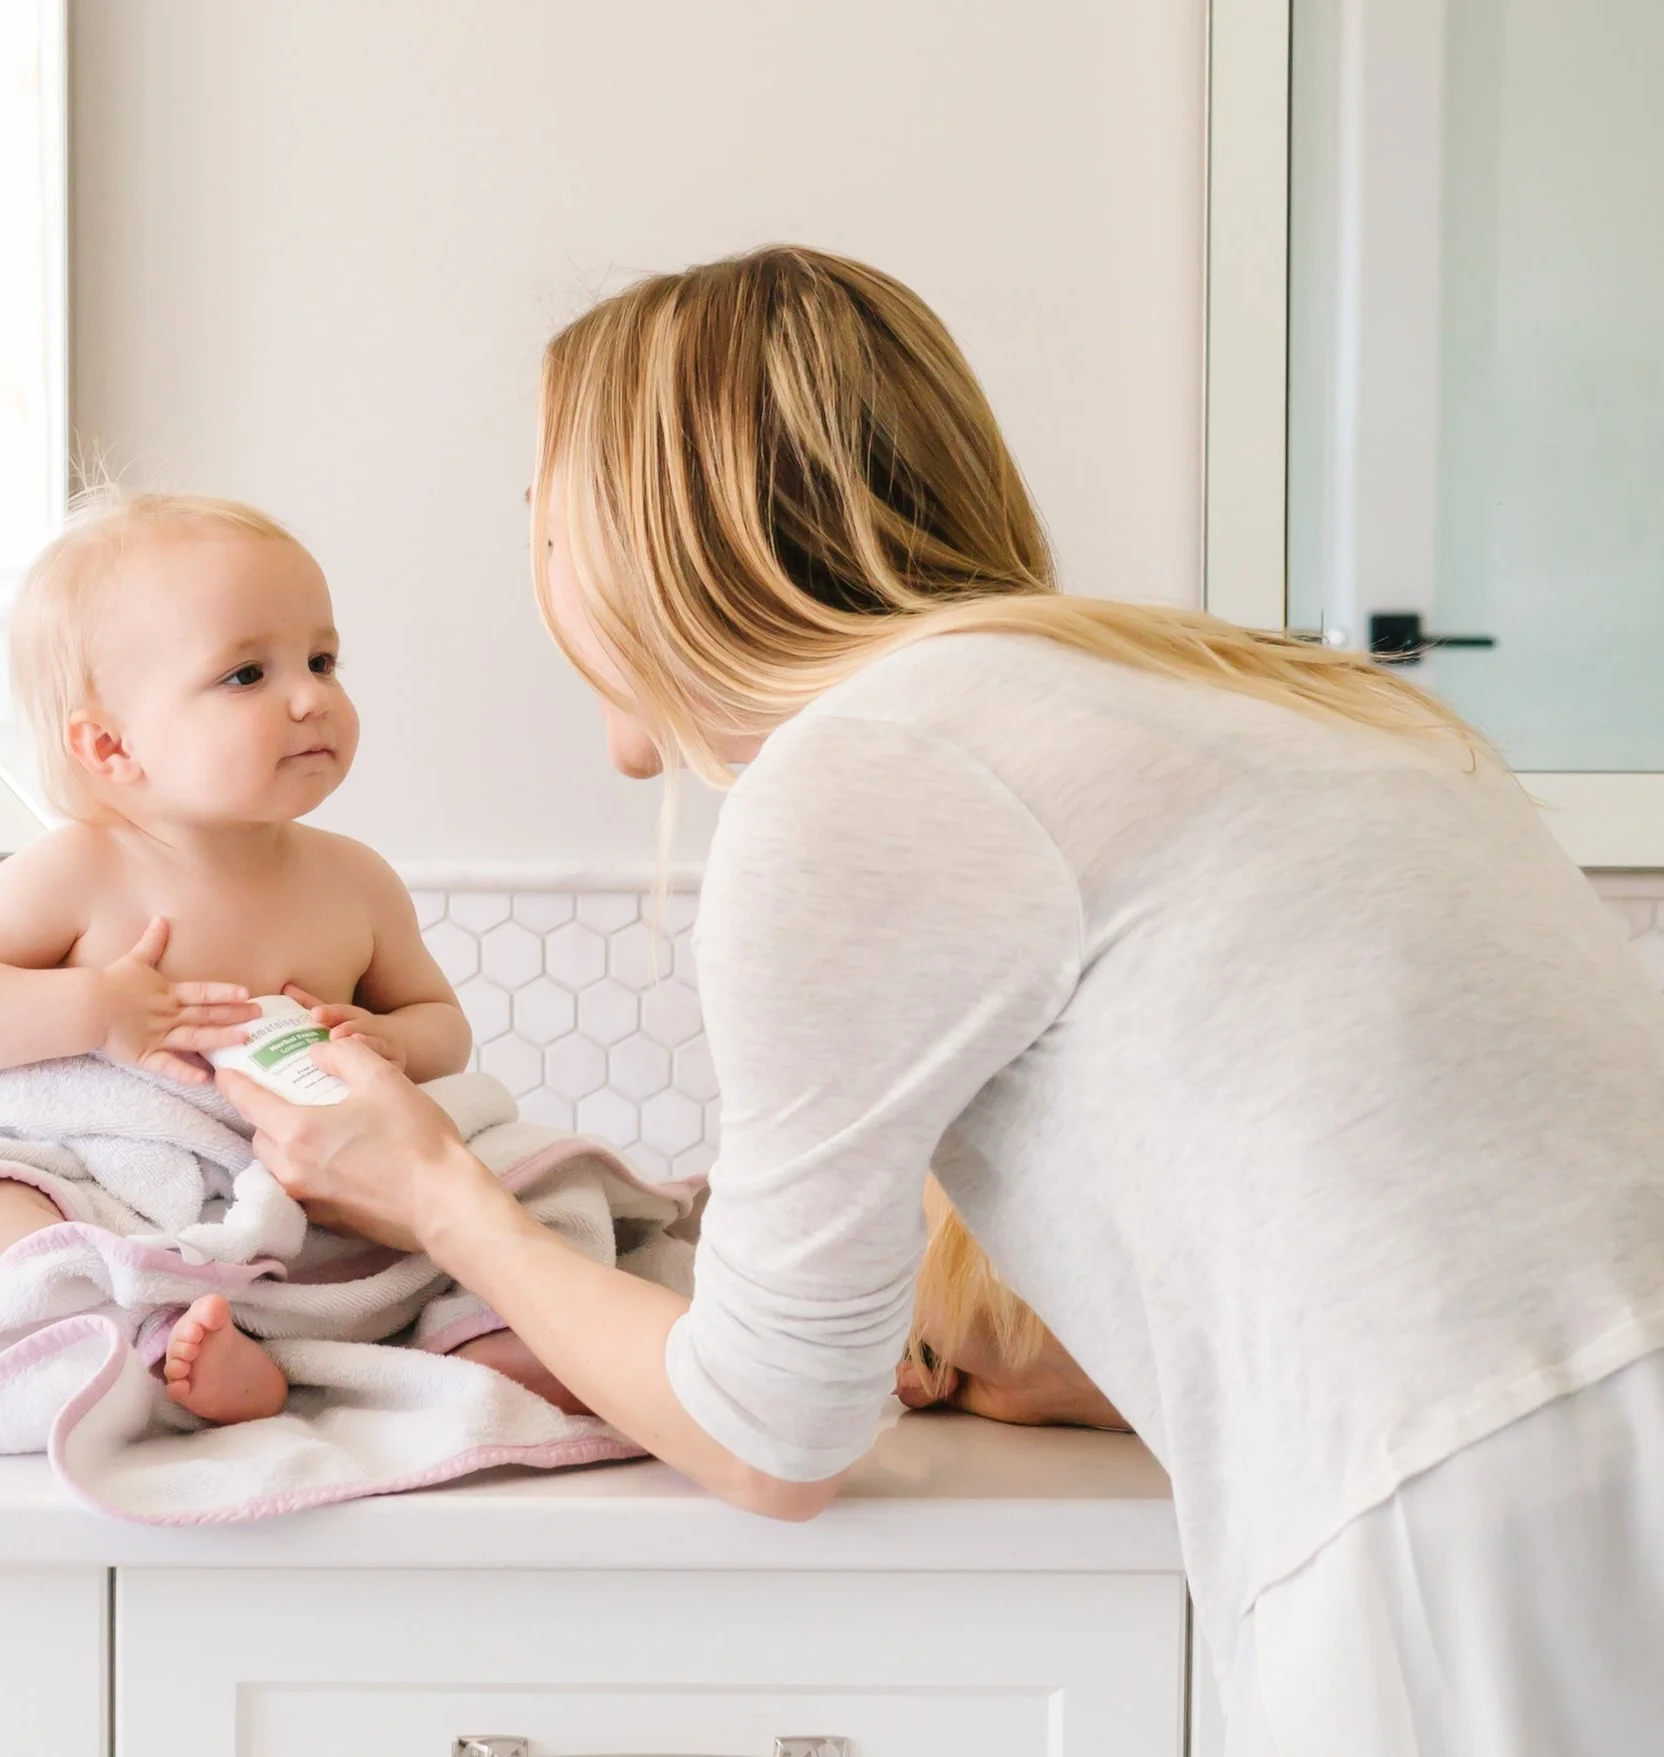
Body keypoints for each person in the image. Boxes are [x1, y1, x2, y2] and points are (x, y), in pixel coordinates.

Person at [213, 246, 1664, 1753]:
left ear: (645, 543)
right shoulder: (1235, 696)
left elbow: (773, 1435)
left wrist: (434, 1189)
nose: (536, 568)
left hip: (1487, 1515)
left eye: (545, 519)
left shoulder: (872, 768)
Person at [0, 488, 581, 1423]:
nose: (309, 696)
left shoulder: (353, 881)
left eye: (323, 660)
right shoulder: (82, 870)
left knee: (544, 1175)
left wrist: (393, 1044)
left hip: (323, 1205)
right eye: (247, 674)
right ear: (112, 744)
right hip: (124, 1195)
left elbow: (441, 1025)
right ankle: (137, 1338)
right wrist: (94, 1007)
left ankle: (486, 1335)